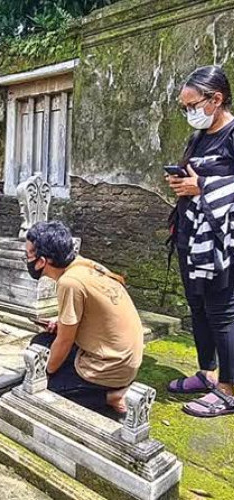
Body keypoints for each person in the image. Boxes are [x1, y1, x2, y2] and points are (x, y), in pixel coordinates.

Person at [166, 65, 234, 417]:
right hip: (191, 237)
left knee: (222, 313)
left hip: (220, 242)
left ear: (216, 99)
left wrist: (201, 187)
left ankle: (228, 389)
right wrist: (182, 185)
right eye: (183, 107)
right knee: (198, 306)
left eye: (191, 105)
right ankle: (207, 374)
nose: (188, 112)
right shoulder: (199, 137)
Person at [26, 221, 144, 416]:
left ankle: (112, 397)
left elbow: (65, 341)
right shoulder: (84, 264)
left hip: (111, 365)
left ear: (42, 261)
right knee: (40, 343)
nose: (27, 259)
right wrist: (59, 323)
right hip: (126, 358)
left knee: (47, 383)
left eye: (28, 255)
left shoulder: (69, 282)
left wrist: (44, 375)